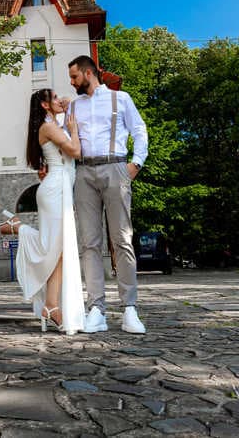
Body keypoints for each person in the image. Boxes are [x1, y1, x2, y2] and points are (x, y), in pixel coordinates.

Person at [67, 55, 148, 334]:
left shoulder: (120, 98)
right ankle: (96, 310)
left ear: (89, 74)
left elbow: (139, 130)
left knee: (122, 239)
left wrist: (136, 163)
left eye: (75, 77)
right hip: (84, 173)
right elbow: (68, 140)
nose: (72, 82)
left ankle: (129, 310)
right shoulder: (74, 106)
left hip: (116, 168)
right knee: (89, 243)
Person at [0, 89, 84, 334]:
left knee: (60, 251)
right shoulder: (48, 127)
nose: (59, 99)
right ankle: (15, 227)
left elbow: (69, 113)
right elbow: (75, 151)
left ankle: (51, 306)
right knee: (50, 248)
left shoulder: (54, 123)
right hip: (55, 190)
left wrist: (66, 107)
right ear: (44, 105)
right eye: (54, 98)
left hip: (61, 189)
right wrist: (74, 130)